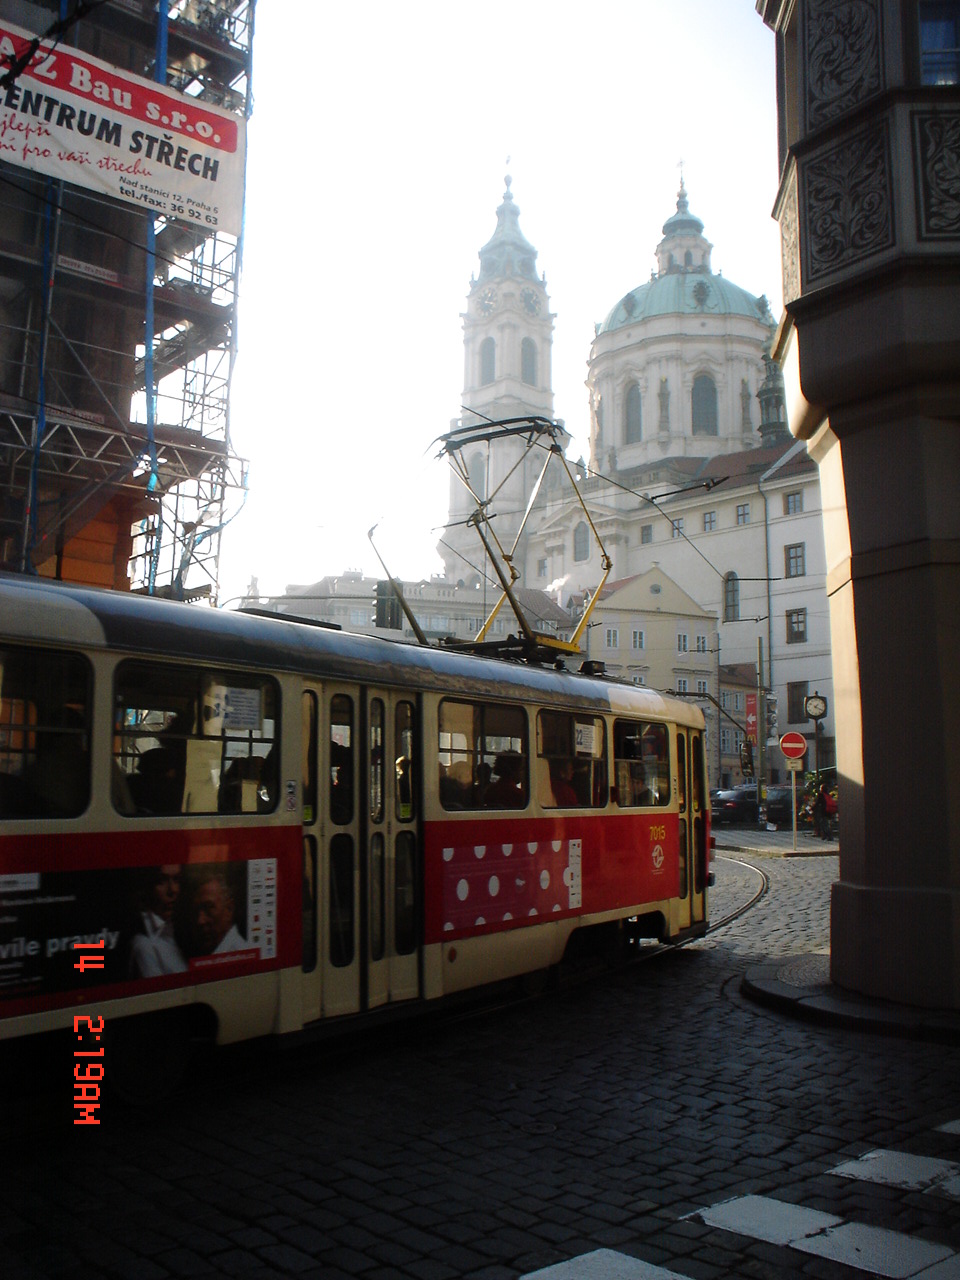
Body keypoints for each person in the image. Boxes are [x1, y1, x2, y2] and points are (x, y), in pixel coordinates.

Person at [129, 865, 188, 977]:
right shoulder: (144, 945)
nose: (173, 890)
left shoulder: (178, 931)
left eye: (176, 879)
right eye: (162, 881)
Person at [188, 869, 248, 955]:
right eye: (195, 911)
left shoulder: (240, 954)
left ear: (229, 909)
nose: (200, 921)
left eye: (208, 908)